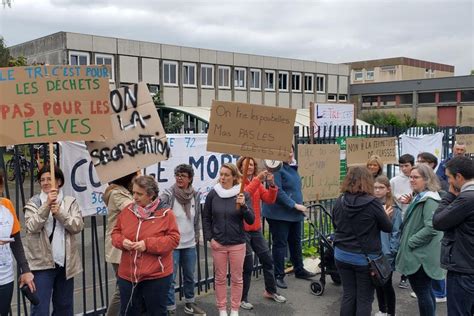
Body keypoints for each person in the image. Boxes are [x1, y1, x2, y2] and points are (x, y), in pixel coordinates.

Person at [112, 175, 180, 316]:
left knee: (156, 312)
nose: (135, 197)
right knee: (130, 312)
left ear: (151, 195)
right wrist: (122, 242)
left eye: (139, 194)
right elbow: (115, 233)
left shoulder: (167, 214)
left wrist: (147, 244)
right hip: (128, 275)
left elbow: (173, 239)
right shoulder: (127, 211)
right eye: (134, 192)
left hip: (156, 276)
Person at [23, 164, 84, 315]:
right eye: (42, 180)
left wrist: (60, 213)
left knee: (64, 307)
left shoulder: (70, 202)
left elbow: (77, 226)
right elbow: (32, 226)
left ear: (59, 182)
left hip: (65, 263)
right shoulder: (34, 203)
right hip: (42, 265)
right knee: (40, 308)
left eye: (49, 179)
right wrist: (46, 206)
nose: (45, 182)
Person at [332, 166, 392, 316]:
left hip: (341, 255)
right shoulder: (373, 203)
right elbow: (387, 227)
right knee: (364, 299)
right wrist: (384, 215)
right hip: (364, 259)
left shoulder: (340, 200)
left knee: (348, 295)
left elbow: (336, 224)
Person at [202, 163, 255, 316]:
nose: (223, 178)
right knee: (219, 279)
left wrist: (244, 206)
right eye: (221, 174)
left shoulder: (242, 194)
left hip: (237, 244)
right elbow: (206, 217)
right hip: (218, 244)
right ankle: (222, 309)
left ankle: (235, 309)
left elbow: (251, 220)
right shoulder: (213, 194)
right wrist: (210, 238)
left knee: (237, 279)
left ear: (234, 177)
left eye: (226, 175)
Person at [236, 157, 287, 311]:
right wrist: (258, 179)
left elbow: (269, 199)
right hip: (241, 230)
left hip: (255, 229)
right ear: (240, 167)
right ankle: (241, 298)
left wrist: (272, 184)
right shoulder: (238, 182)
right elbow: (245, 195)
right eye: (246, 165)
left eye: (251, 164)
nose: (249, 167)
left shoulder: (256, 183)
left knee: (267, 259)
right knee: (247, 266)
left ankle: (270, 291)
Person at [262, 145, 316, 290]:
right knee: (280, 244)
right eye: (285, 151)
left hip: (294, 213)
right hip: (279, 214)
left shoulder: (291, 166)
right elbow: (278, 192)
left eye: (291, 151)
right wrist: (294, 205)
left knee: (295, 241)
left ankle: (299, 269)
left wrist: (296, 206)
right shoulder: (277, 168)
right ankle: (278, 275)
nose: (289, 154)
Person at [395, 164, 445, 316]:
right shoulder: (423, 196)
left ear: (427, 179)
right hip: (422, 254)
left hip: (421, 256)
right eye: (410, 177)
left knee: (422, 292)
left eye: (416, 177)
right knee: (426, 290)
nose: (411, 180)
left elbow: (432, 227)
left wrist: (411, 241)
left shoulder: (429, 199)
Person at [160, 164, 205, 315]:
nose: (179, 178)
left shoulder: (195, 195)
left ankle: (189, 303)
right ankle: (170, 308)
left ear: (190, 179)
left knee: (189, 276)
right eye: (177, 175)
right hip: (173, 245)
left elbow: (196, 217)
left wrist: (198, 236)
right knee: (170, 279)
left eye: (183, 176)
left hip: (190, 243)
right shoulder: (169, 194)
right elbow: (159, 206)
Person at [433, 156, 474, 315]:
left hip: (464, 269)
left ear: (459, 177)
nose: (448, 182)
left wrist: (449, 195)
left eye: (449, 177)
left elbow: (438, 221)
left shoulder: (467, 198)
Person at [0, 170, 35, 316]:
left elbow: (16, 241)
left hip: (5, 278)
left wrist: (25, 270)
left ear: (1, 187)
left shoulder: (7, 205)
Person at [104, 173, 135, 316]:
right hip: (118, 248)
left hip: (125, 246)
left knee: (125, 286)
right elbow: (133, 209)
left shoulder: (124, 192)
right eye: (134, 177)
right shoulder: (117, 194)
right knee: (123, 287)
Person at [373, 175, 402, 316]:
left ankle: (391, 312)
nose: (377, 190)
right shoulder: (371, 205)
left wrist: (392, 250)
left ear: (388, 189)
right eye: (375, 187)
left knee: (386, 284)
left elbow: (396, 232)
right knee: (377, 282)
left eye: (381, 187)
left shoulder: (394, 208)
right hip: (374, 250)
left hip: (386, 252)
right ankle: (382, 309)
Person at [390, 153, 414, 290]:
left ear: (412, 165)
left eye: (406, 166)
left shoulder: (415, 179)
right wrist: (397, 198)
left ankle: (405, 276)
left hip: (410, 215)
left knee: (406, 246)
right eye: (401, 166)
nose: (404, 169)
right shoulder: (394, 180)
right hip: (398, 215)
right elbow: (390, 194)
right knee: (395, 244)